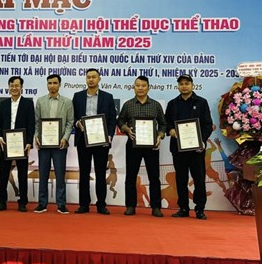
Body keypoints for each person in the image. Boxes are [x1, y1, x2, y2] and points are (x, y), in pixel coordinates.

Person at [117, 75, 167, 217]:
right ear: (134, 87)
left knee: (154, 177)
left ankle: (156, 207)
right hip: (133, 144)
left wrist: (160, 136)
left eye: (143, 86)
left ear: (148, 88)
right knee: (131, 176)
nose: (140, 88)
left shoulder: (155, 105)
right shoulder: (128, 104)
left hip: (151, 146)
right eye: (137, 85)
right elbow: (120, 121)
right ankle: (130, 206)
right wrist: (126, 129)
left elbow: (163, 123)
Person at [165, 74, 213, 220]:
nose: (184, 86)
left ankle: (200, 209)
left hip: (196, 149)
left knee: (199, 179)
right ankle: (183, 208)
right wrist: (170, 130)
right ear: (178, 86)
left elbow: (207, 125)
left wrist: (201, 140)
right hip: (178, 149)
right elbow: (166, 123)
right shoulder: (172, 104)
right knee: (181, 179)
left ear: (192, 85)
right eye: (181, 84)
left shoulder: (202, 102)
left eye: (187, 83)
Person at [72, 68, 117, 215]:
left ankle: (101, 204)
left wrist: (110, 135)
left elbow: (112, 119)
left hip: (101, 140)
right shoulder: (77, 96)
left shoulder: (108, 97)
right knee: (84, 173)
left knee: (100, 173)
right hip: (83, 139)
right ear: (86, 79)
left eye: (94, 77)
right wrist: (77, 123)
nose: (91, 79)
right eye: (88, 77)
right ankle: (84, 204)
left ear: (99, 79)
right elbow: (73, 116)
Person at [33, 74, 74, 214]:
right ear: (47, 85)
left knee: (60, 174)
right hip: (44, 144)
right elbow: (37, 122)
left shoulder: (67, 102)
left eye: (55, 83)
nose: (52, 86)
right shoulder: (40, 101)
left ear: (59, 85)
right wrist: (36, 136)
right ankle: (42, 203)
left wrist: (65, 138)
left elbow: (70, 123)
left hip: (60, 144)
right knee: (43, 174)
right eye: (49, 83)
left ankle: (61, 204)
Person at [0, 76, 35, 212]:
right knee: (3, 173)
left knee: (22, 174)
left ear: (21, 87)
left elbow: (31, 124)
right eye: (11, 86)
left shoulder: (28, 104)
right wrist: (0, 137)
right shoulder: (4, 104)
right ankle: (1, 201)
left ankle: (22, 202)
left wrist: (29, 142)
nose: (14, 88)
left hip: (21, 144)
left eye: (17, 86)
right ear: (9, 87)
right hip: (6, 143)